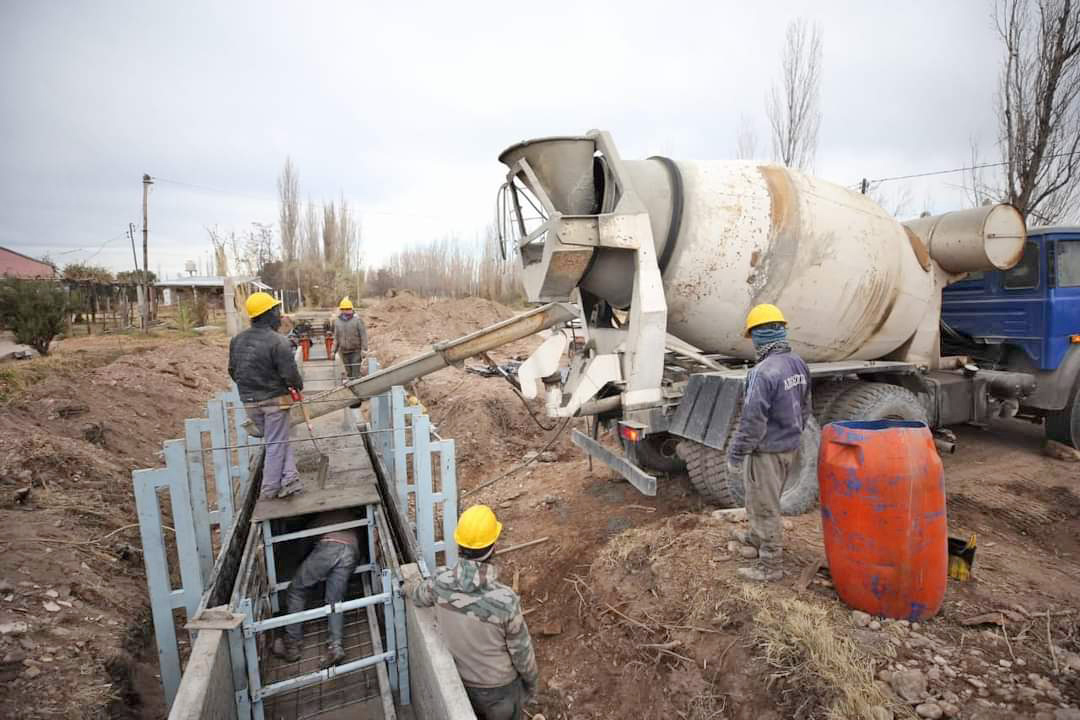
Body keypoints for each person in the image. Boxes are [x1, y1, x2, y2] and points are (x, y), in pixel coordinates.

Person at [409, 505, 538, 720]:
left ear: (459, 544)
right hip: (501, 692)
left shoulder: (440, 583)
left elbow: (416, 595)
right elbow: (522, 655)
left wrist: (406, 584)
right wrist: (531, 686)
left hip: (462, 685)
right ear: (493, 546)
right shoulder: (505, 600)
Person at [726, 304, 811, 582]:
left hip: (767, 451)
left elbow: (752, 420)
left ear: (758, 335)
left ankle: (770, 564)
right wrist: (793, 435)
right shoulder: (797, 363)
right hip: (788, 447)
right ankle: (755, 537)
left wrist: (737, 454)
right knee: (758, 498)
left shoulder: (762, 372)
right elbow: (805, 407)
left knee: (765, 505)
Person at [229, 292, 305, 500]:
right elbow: (290, 375)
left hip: (249, 403)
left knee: (277, 439)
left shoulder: (237, 340)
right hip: (274, 402)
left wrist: (251, 390)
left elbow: (233, 371)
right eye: (276, 311)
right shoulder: (278, 341)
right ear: (268, 314)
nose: (279, 316)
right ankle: (269, 490)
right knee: (275, 443)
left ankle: (290, 479)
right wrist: (297, 387)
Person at [272, 510, 360, 666]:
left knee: (296, 590)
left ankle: (292, 644)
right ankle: (335, 647)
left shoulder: (315, 521)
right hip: (351, 551)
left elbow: (302, 548)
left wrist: (299, 565)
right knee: (335, 601)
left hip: (329, 546)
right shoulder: (349, 514)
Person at [332, 297, 368, 380]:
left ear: (352, 309)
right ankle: (351, 386)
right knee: (349, 374)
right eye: (344, 309)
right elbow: (336, 337)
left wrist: (364, 350)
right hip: (343, 352)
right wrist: (333, 351)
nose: (347, 311)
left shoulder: (358, 321)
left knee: (355, 374)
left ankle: (357, 387)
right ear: (341, 310)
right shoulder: (337, 322)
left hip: (356, 351)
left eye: (348, 309)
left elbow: (363, 336)